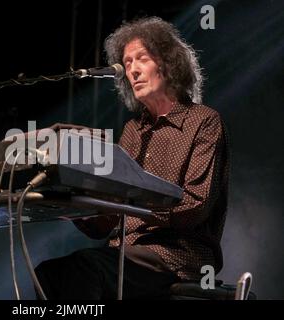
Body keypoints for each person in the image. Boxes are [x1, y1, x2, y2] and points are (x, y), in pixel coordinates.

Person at [34, 16, 229, 299]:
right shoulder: (132, 130)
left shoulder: (204, 121)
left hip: (177, 254)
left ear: (168, 63)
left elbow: (195, 207)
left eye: (142, 59)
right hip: (124, 255)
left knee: (85, 267)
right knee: (47, 274)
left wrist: (134, 204)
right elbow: (106, 224)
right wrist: (70, 204)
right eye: (127, 64)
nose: (133, 70)